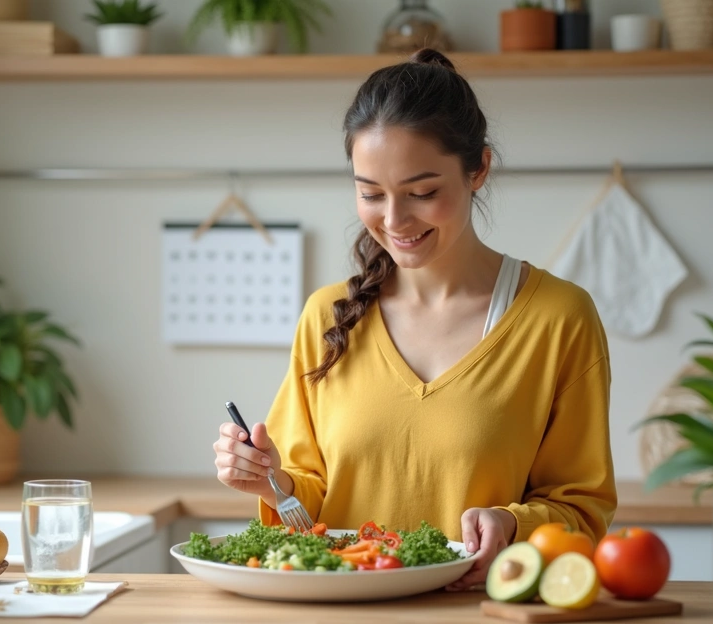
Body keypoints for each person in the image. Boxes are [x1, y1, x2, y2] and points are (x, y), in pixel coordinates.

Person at [211, 48, 617, 589]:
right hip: (340, 623)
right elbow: (311, 517)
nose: (395, 220)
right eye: (370, 193)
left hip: (481, 623)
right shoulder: (327, 318)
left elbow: (583, 512)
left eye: (422, 193)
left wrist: (513, 526)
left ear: (479, 169)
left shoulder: (559, 319)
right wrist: (271, 483)